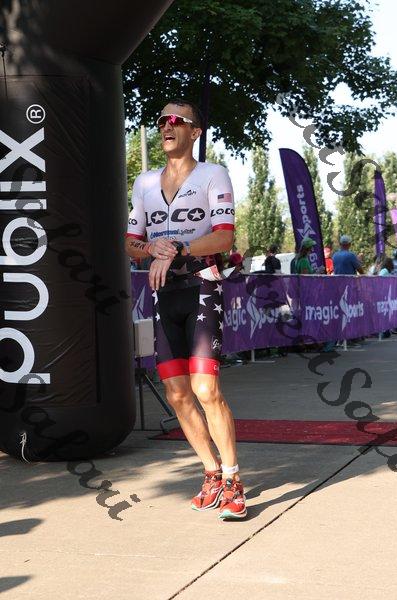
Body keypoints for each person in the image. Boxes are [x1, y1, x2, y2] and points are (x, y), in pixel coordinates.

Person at [125, 99, 246, 520]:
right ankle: (211, 472)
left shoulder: (213, 174)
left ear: (195, 132)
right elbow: (130, 243)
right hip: (164, 294)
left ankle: (233, 480)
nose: (167, 125)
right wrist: (151, 247)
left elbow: (224, 238)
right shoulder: (144, 182)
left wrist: (177, 247)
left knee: (206, 390)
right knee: (177, 394)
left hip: (202, 286)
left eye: (177, 120)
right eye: (162, 120)